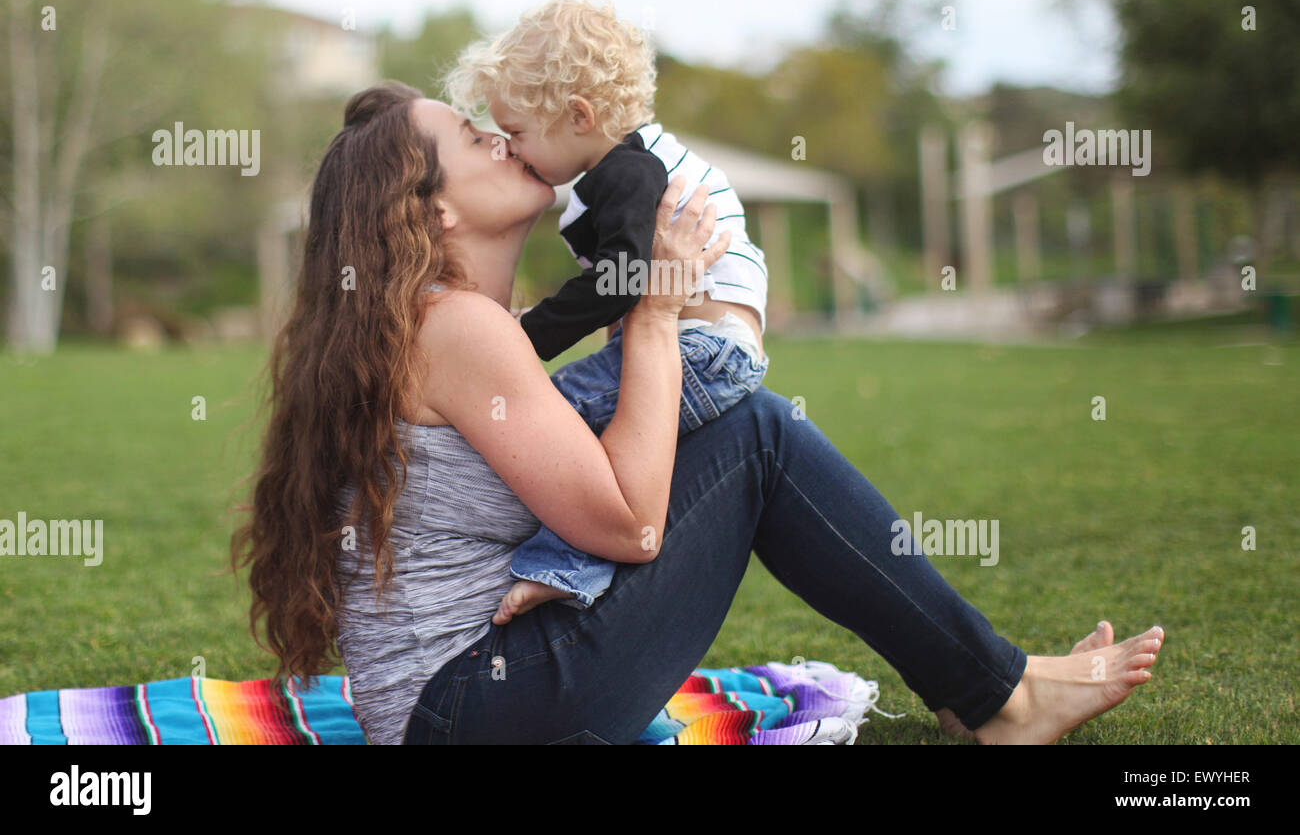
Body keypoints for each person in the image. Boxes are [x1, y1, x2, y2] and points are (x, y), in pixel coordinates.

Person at [230, 81, 1165, 746]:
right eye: (471, 140)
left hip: (464, 704)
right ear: (430, 214)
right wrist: (657, 301)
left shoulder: (454, 325)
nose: (499, 137)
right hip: (478, 708)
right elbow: (632, 525)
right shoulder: (460, 328)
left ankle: (983, 687)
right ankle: (1001, 698)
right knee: (755, 431)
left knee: (739, 425)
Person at [444, 0, 770, 621]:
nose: (511, 149)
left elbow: (621, 280)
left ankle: (562, 566)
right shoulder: (635, 164)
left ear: (577, 115)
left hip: (700, 347)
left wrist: (524, 336)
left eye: (516, 133)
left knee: (549, 423)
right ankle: (573, 560)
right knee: (599, 446)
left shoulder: (629, 172)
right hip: (716, 347)